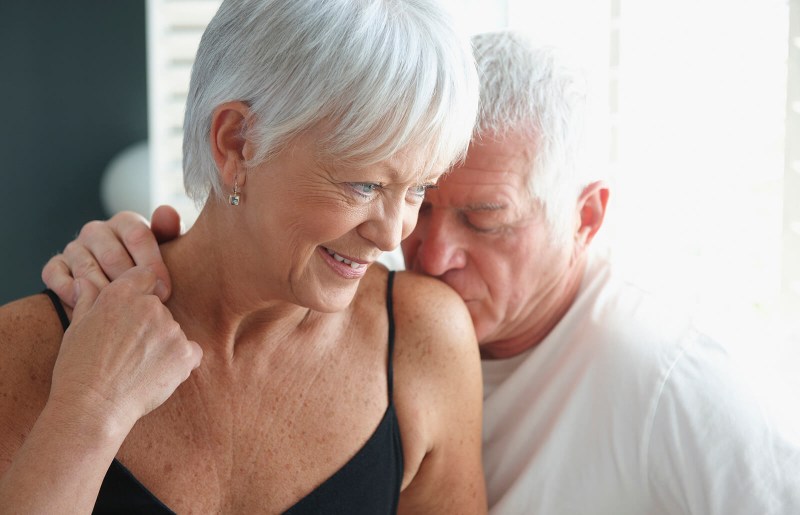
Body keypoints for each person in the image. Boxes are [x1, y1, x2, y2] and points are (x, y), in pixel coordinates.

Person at [43, 30, 800, 514]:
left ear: (588, 219)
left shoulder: (673, 383)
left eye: (487, 220)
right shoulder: (392, 314)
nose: (422, 250)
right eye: (415, 197)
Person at [0, 0, 488, 513]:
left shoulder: (424, 342)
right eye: (364, 184)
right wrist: (90, 413)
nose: (393, 236)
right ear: (237, 143)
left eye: (417, 190)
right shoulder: (26, 353)